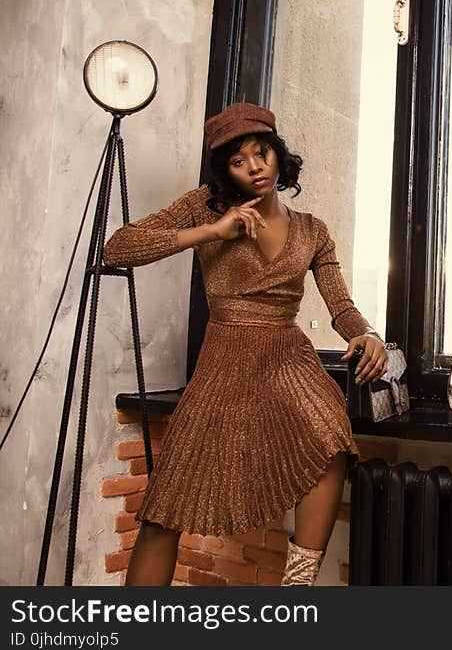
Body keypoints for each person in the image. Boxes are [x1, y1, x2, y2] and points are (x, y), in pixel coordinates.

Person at [102, 102, 388, 586]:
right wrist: (212, 230)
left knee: (333, 443)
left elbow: (341, 306)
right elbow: (118, 247)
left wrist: (368, 333)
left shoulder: (312, 230)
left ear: (278, 156)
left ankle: (295, 590)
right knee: (163, 512)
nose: (255, 167)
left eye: (262, 153)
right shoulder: (203, 207)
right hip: (223, 360)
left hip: (286, 360)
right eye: (239, 160)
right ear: (225, 171)